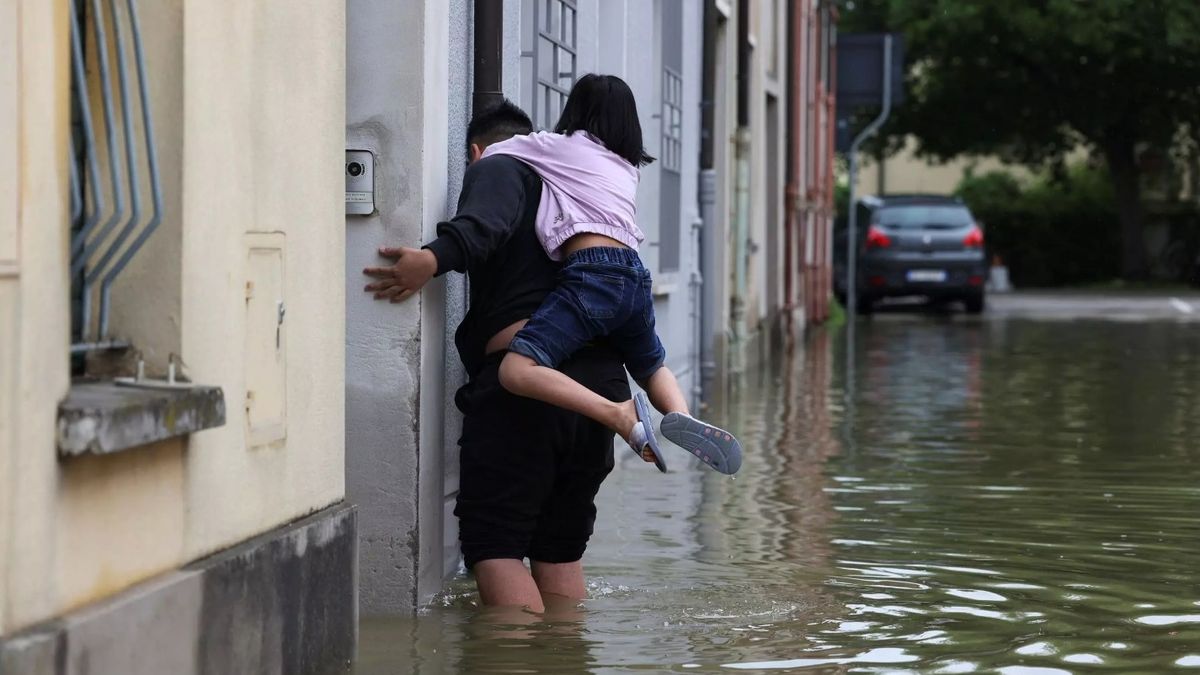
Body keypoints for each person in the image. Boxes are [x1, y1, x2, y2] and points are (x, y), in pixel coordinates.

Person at [364, 100, 631, 611]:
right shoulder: (578, 187)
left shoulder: (500, 163)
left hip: (528, 391)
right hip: (602, 391)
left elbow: (485, 223)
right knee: (559, 550)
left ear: (476, 152)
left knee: (496, 545)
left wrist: (431, 259)